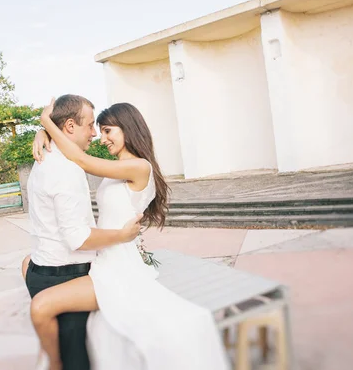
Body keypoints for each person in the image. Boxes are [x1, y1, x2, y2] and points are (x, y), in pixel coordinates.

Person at [28, 97, 231, 370]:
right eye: (98, 130)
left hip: (119, 263)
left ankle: (55, 364)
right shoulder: (116, 168)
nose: (101, 138)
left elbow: (79, 158)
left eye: (108, 131)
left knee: (43, 305)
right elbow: (73, 147)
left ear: (128, 128)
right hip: (104, 256)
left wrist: (45, 123)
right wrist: (45, 134)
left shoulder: (139, 166)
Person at [22, 94, 144, 370]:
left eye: (104, 130)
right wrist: (123, 236)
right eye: (91, 126)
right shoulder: (66, 169)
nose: (95, 135)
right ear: (69, 126)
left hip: (48, 269)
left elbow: (82, 158)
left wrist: (44, 129)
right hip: (67, 273)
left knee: (74, 354)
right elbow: (77, 238)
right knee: (76, 360)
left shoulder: (45, 159)